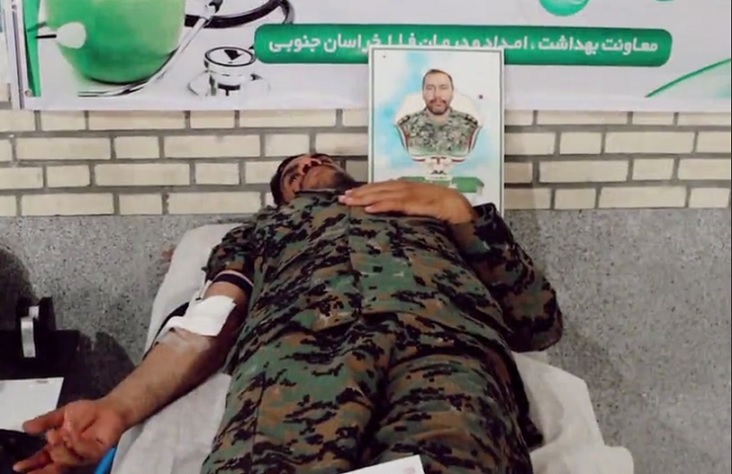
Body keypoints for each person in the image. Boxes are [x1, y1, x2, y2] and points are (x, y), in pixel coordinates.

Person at [13, 153, 563, 474]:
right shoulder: (257, 232)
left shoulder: (429, 212)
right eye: (293, 172)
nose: (309, 166)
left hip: (446, 350)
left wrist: (459, 211)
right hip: (298, 355)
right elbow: (210, 321)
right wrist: (116, 409)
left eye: (320, 160)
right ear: (282, 197)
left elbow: (537, 323)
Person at [396, 69, 480, 161]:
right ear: (423, 93)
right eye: (430, 88)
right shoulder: (405, 128)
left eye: (443, 88)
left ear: (452, 92)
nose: (437, 95)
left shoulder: (470, 128)